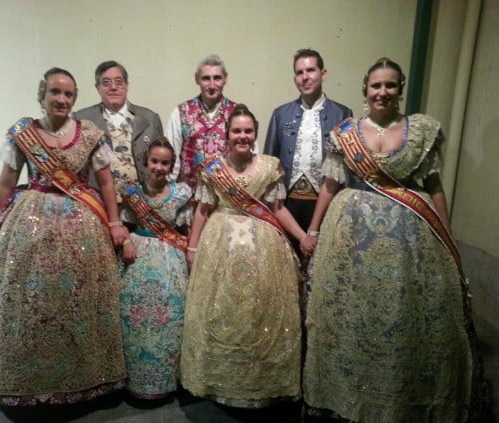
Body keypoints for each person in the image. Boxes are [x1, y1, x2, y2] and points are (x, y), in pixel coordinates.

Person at [0, 68, 127, 405]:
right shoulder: (24, 132)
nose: (62, 99)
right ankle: (25, 378)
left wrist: (114, 223)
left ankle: (83, 379)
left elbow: (107, 181)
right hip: (30, 220)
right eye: (55, 92)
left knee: (79, 301)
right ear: (42, 94)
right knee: (28, 301)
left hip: (81, 221)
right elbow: (6, 183)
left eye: (68, 94)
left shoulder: (90, 134)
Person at [301, 58, 477, 422]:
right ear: (365, 90)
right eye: (376, 85)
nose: (383, 92)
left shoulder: (421, 131)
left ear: (400, 90)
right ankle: (349, 393)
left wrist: (446, 234)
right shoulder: (345, 133)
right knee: (354, 313)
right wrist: (314, 231)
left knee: (402, 309)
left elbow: (434, 186)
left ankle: (402, 395)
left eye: (390, 85)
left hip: (410, 235)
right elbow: (330, 185)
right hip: (352, 238)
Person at [180, 104, 309, 408]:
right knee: (220, 308)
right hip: (219, 244)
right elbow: (202, 209)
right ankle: (217, 381)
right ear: (227, 135)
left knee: (260, 310)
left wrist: (302, 236)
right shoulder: (212, 167)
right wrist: (193, 247)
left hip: (263, 245)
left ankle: (259, 382)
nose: (242, 136)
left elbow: (277, 208)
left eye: (248, 131)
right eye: (236, 131)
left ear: (255, 134)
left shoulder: (269, 166)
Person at [118, 138, 191, 399]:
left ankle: (167, 380)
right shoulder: (132, 193)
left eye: (165, 162)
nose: (159, 167)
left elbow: (186, 230)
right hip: (137, 256)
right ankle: (137, 381)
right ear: (145, 162)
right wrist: (126, 242)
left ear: (171, 165)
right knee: (134, 317)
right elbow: (123, 224)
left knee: (171, 316)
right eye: (154, 161)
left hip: (170, 259)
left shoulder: (180, 193)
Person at [264, 48, 352, 240]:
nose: (305, 77)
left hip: (325, 203)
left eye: (310, 70)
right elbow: (270, 163)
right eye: (299, 72)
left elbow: (347, 170)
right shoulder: (281, 114)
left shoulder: (342, 114)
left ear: (323, 74)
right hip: (287, 204)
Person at [73, 60, 163, 197]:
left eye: (119, 82)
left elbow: (163, 164)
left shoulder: (150, 119)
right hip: (97, 203)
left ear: (127, 86)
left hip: (142, 204)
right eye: (106, 83)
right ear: (98, 88)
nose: (113, 87)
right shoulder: (81, 119)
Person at [165, 54, 237, 196]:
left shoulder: (237, 113)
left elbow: (249, 156)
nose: (211, 85)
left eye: (217, 78)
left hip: (226, 198)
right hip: (188, 197)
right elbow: (170, 157)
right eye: (206, 78)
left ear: (225, 79)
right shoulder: (181, 112)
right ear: (197, 79)